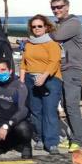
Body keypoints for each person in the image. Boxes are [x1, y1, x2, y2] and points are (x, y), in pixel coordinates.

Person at [20, 14, 62, 155]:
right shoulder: (29, 44)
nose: (37, 28)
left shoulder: (52, 43)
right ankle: (39, 138)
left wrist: (44, 76)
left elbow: (54, 62)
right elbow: (24, 63)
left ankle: (51, 142)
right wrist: (21, 80)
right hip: (31, 79)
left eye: (40, 26)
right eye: (34, 26)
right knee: (35, 111)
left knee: (49, 111)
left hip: (50, 79)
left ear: (46, 27)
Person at [50, 0, 82, 152]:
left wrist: (45, 32)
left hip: (72, 68)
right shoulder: (59, 24)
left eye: (59, 7)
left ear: (67, 7)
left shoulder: (73, 22)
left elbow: (56, 37)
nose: (56, 10)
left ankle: (78, 139)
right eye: (54, 8)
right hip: (62, 68)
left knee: (71, 105)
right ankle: (71, 137)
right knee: (65, 104)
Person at [0, 59, 32, 159]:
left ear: (10, 71)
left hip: (18, 121)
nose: (0, 73)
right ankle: (11, 143)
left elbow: (23, 111)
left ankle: (26, 144)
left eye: (3, 70)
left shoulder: (19, 86)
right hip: (2, 120)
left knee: (23, 128)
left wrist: (6, 126)